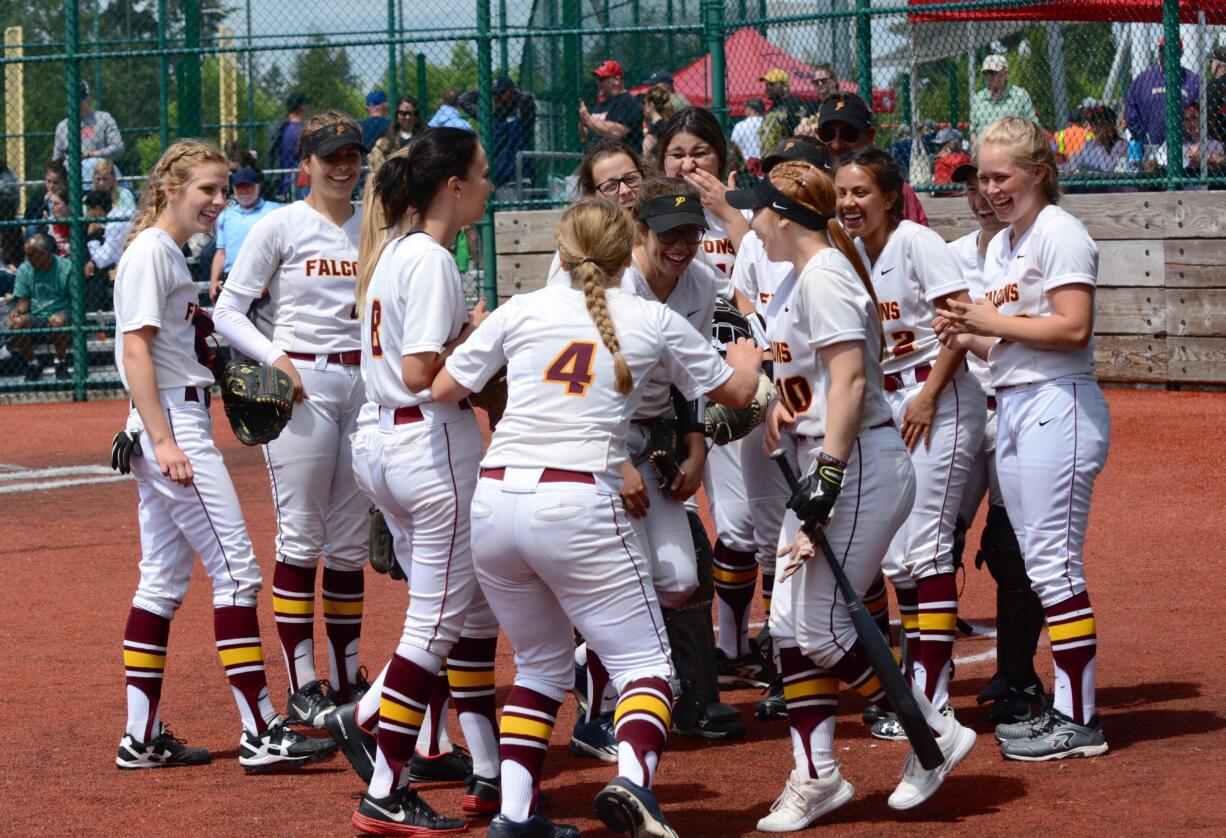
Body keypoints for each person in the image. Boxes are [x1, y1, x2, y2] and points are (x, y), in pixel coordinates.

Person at [431, 196, 762, 838]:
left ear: (560, 251)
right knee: (648, 666)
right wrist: (747, 364)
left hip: (496, 498)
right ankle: (633, 783)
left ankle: (516, 816)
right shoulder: (649, 316)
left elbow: (445, 388)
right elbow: (737, 395)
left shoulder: (520, 307)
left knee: (537, 666)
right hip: (578, 498)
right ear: (627, 250)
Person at [724, 159, 977, 830]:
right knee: (786, 627)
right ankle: (817, 777)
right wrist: (777, 399)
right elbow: (807, 374)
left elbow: (854, 384)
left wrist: (828, 474)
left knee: (822, 626)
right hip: (823, 461)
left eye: (757, 209)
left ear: (782, 218)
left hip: (857, 462)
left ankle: (931, 727)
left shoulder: (827, 276)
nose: (750, 220)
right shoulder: (796, 277)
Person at [111, 138, 336, 773]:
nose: (216, 200)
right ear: (170, 189)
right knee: (236, 574)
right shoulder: (153, 252)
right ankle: (261, 730)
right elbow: (134, 355)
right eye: (205, 189)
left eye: (221, 188)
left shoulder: (164, 255)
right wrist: (162, 440)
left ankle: (141, 736)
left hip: (171, 417)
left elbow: (165, 346)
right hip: (172, 426)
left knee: (160, 583)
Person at [935, 115, 1111, 761]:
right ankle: (1067, 710)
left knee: (1055, 566)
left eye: (1002, 175)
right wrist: (968, 333)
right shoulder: (1012, 239)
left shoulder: (1060, 232)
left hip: (1056, 406)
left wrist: (989, 318)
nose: (991, 187)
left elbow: (1072, 329)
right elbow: (1009, 338)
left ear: (1039, 172)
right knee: (1042, 566)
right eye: (983, 176)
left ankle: (1080, 718)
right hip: (1020, 403)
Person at [344, 127, 501, 835]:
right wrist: (485, 338)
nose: (489, 185)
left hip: (383, 442)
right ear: (453, 186)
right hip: (425, 443)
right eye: (481, 173)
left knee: (456, 614)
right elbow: (423, 375)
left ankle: (477, 768)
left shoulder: (393, 252)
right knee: (434, 624)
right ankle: (383, 774)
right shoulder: (432, 258)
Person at [213, 113, 372, 730]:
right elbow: (228, 309)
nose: (343, 166)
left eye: (352, 154)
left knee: (351, 544)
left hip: (364, 386)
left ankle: (348, 674)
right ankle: (304, 683)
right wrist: (276, 358)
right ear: (305, 163)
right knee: (301, 536)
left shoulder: (373, 226)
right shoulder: (282, 225)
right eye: (330, 155)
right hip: (303, 385)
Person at [834, 148, 986, 742]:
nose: (850, 203)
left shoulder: (916, 243)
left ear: (891, 197)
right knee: (897, 556)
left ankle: (933, 701)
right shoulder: (847, 255)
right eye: (843, 193)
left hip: (937, 397)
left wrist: (928, 396)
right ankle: (922, 687)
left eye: (862, 192)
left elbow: (961, 322)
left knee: (924, 548)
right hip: (888, 403)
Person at [946, 161, 1047, 725]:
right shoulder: (952, 254)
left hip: (1014, 409)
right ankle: (929, 674)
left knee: (1012, 551)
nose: (983, 195)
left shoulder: (1032, 249)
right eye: (972, 185)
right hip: (961, 413)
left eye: (992, 183)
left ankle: (1016, 674)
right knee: (936, 542)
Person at [816, 93, 929, 226]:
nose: (836, 144)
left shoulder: (895, 190)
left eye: (849, 134)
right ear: (817, 135)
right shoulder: (807, 187)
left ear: (870, 136)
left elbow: (915, 242)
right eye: (827, 134)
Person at [207, 168, 280, 302]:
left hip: (264, 278)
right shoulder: (225, 216)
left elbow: (284, 251)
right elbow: (221, 252)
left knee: (263, 323)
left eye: (249, 186)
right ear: (234, 190)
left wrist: (270, 280)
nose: (245, 191)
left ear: (258, 187)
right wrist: (213, 282)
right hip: (232, 279)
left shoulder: (275, 210)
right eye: (240, 187)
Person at [6, 233, 72, 381]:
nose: (26, 259)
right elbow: (23, 302)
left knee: (57, 321)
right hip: (37, 315)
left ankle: (60, 362)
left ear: (43, 254)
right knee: (18, 323)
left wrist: (65, 314)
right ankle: (32, 363)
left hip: (63, 313)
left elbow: (75, 300)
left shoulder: (66, 267)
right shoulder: (25, 269)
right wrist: (16, 313)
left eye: (29, 255)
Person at [1124, 40, 1200, 148]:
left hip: (1185, 147)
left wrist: (1194, 138)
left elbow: (1203, 113)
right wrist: (1141, 136)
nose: (1167, 54)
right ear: (1159, 52)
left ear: (1181, 53)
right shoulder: (1144, 79)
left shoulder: (1193, 81)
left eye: (1172, 50)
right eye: (1162, 50)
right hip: (1151, 147)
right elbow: (1130, 109)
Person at [53, 81, 124, 179]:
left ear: (89, 98)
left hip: (100, 179)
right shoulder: (62, 126)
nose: (78, 102)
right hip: (71, 179)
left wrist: (92, 154)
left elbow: (118, 147)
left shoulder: (104, 119)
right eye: (74, 99)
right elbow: (57, 160)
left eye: (81, 98)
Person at [969, 55, 1036, 147]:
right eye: (985, 73)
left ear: (1005, 73)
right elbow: (973, 132)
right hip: (985, 155)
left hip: (1013, 153)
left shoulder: (1020, 95)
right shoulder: (978, 99)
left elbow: (1033, 127)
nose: (989, 76)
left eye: (992, 72)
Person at [83, 189, 133, 307]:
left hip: (124, 272)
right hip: (124, 267)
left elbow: (102, 261)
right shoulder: (118, 216)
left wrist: (92, 237)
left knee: (97, 278)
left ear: (98, 209)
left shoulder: (114, 224)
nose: (87, 215)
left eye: (90, 210)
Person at [580, 60, 644, 151]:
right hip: (596, 159)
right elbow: (587, 137)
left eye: (602, 79)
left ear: (616, 80)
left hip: (620, 161)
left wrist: (588, 118)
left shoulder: (628, 101)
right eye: (597, 79)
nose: (599, 83)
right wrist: (582, 122)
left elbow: (616, 132)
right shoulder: (601, 105)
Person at [491, 75, 537, 199]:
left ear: (511, 92)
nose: (497, 98)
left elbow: (528, 97)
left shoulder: (521, 113)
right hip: (499, 180)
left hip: (518, 178)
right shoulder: (493, 118)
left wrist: (514, 91)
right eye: (494, 94)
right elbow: (465, 100)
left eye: (501, 93)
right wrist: (483, 91)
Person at [1063, 105, 1128, 175]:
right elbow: (1071, 166)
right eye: (1093, 124)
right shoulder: (1089, 144)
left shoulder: (1121, 145)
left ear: (1111, 126)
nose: (1095, 128)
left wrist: (1101, 145)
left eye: (1099, 124)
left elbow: (1108, 168)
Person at [758, 69, 810, 155]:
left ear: (785, 85)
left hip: (787, 157)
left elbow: (799, 134)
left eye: (772, 84)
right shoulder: (772, 108)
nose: (767, 88)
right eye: (766, 84)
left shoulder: (794, 104)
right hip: (770, 159)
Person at [367, 96, 421, 173]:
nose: (408, 117)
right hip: (391, 173)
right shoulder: (388, 132)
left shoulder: (424, 132)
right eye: (403, 113)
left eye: (411, 113)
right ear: (397, 114)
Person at [642, 84, 678, 158]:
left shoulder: (656, 128)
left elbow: (645, 152)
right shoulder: (671, 122)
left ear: (650, 104)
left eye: (644, 103)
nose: (643, 106)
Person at [731, 97, 766, 163]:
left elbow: (734, 145)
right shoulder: (768, 124)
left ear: (750, 109)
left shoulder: (740, 126)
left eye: (746, 108)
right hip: (765, 162)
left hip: (747, 164)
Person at [1209, 46, 1226, 144]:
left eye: (1212, 61)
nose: (1211, 64)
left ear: (1218, 64)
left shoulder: (1214, 87)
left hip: (1219, 144)